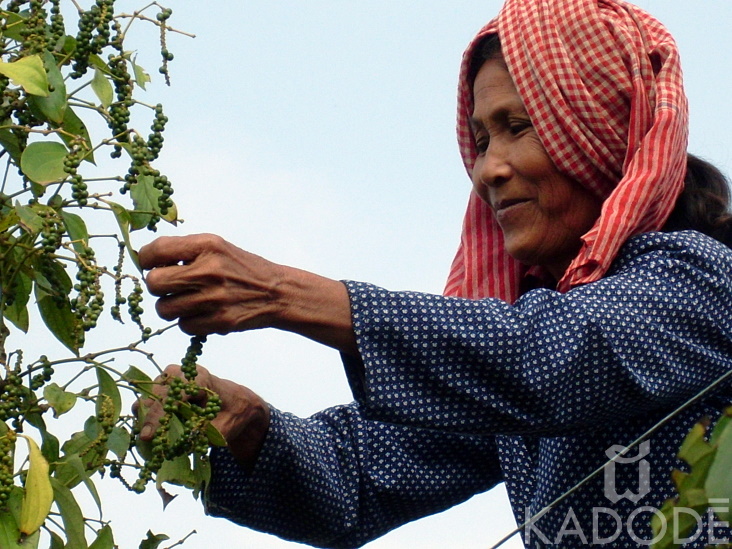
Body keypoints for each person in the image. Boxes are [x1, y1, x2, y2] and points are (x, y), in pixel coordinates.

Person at [137, 0, 732, 547]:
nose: (487, 169)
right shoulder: (502, 355)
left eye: (517, 127)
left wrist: (281, 293)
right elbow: (359, 476)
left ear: (599, 127)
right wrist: (249, 432)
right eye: (479, 139)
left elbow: (544, 356)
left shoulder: (702, 278)